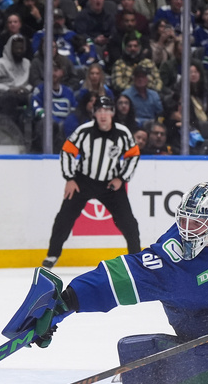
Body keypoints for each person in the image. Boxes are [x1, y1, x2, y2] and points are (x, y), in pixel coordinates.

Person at [16, 181, 208, 384]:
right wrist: (64, 304)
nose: (187, 232)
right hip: (197, 314)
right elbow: (118, 277)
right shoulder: (173, 262)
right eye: (184, 221)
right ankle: (162, 354)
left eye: (197, 224)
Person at [42, 96, 141, 269]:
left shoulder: (122, 133)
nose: (103, 115)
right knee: (64, 218)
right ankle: (52, 254)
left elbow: (133, 154)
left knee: (128, 222)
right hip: (83, 181)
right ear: (94, 113)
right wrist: (70, 178)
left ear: (112, 113)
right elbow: (66, 152)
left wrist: (122, 178)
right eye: (99, 111)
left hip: (110, 184)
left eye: (107, 110)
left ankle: (136, 259)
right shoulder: (84, 131)